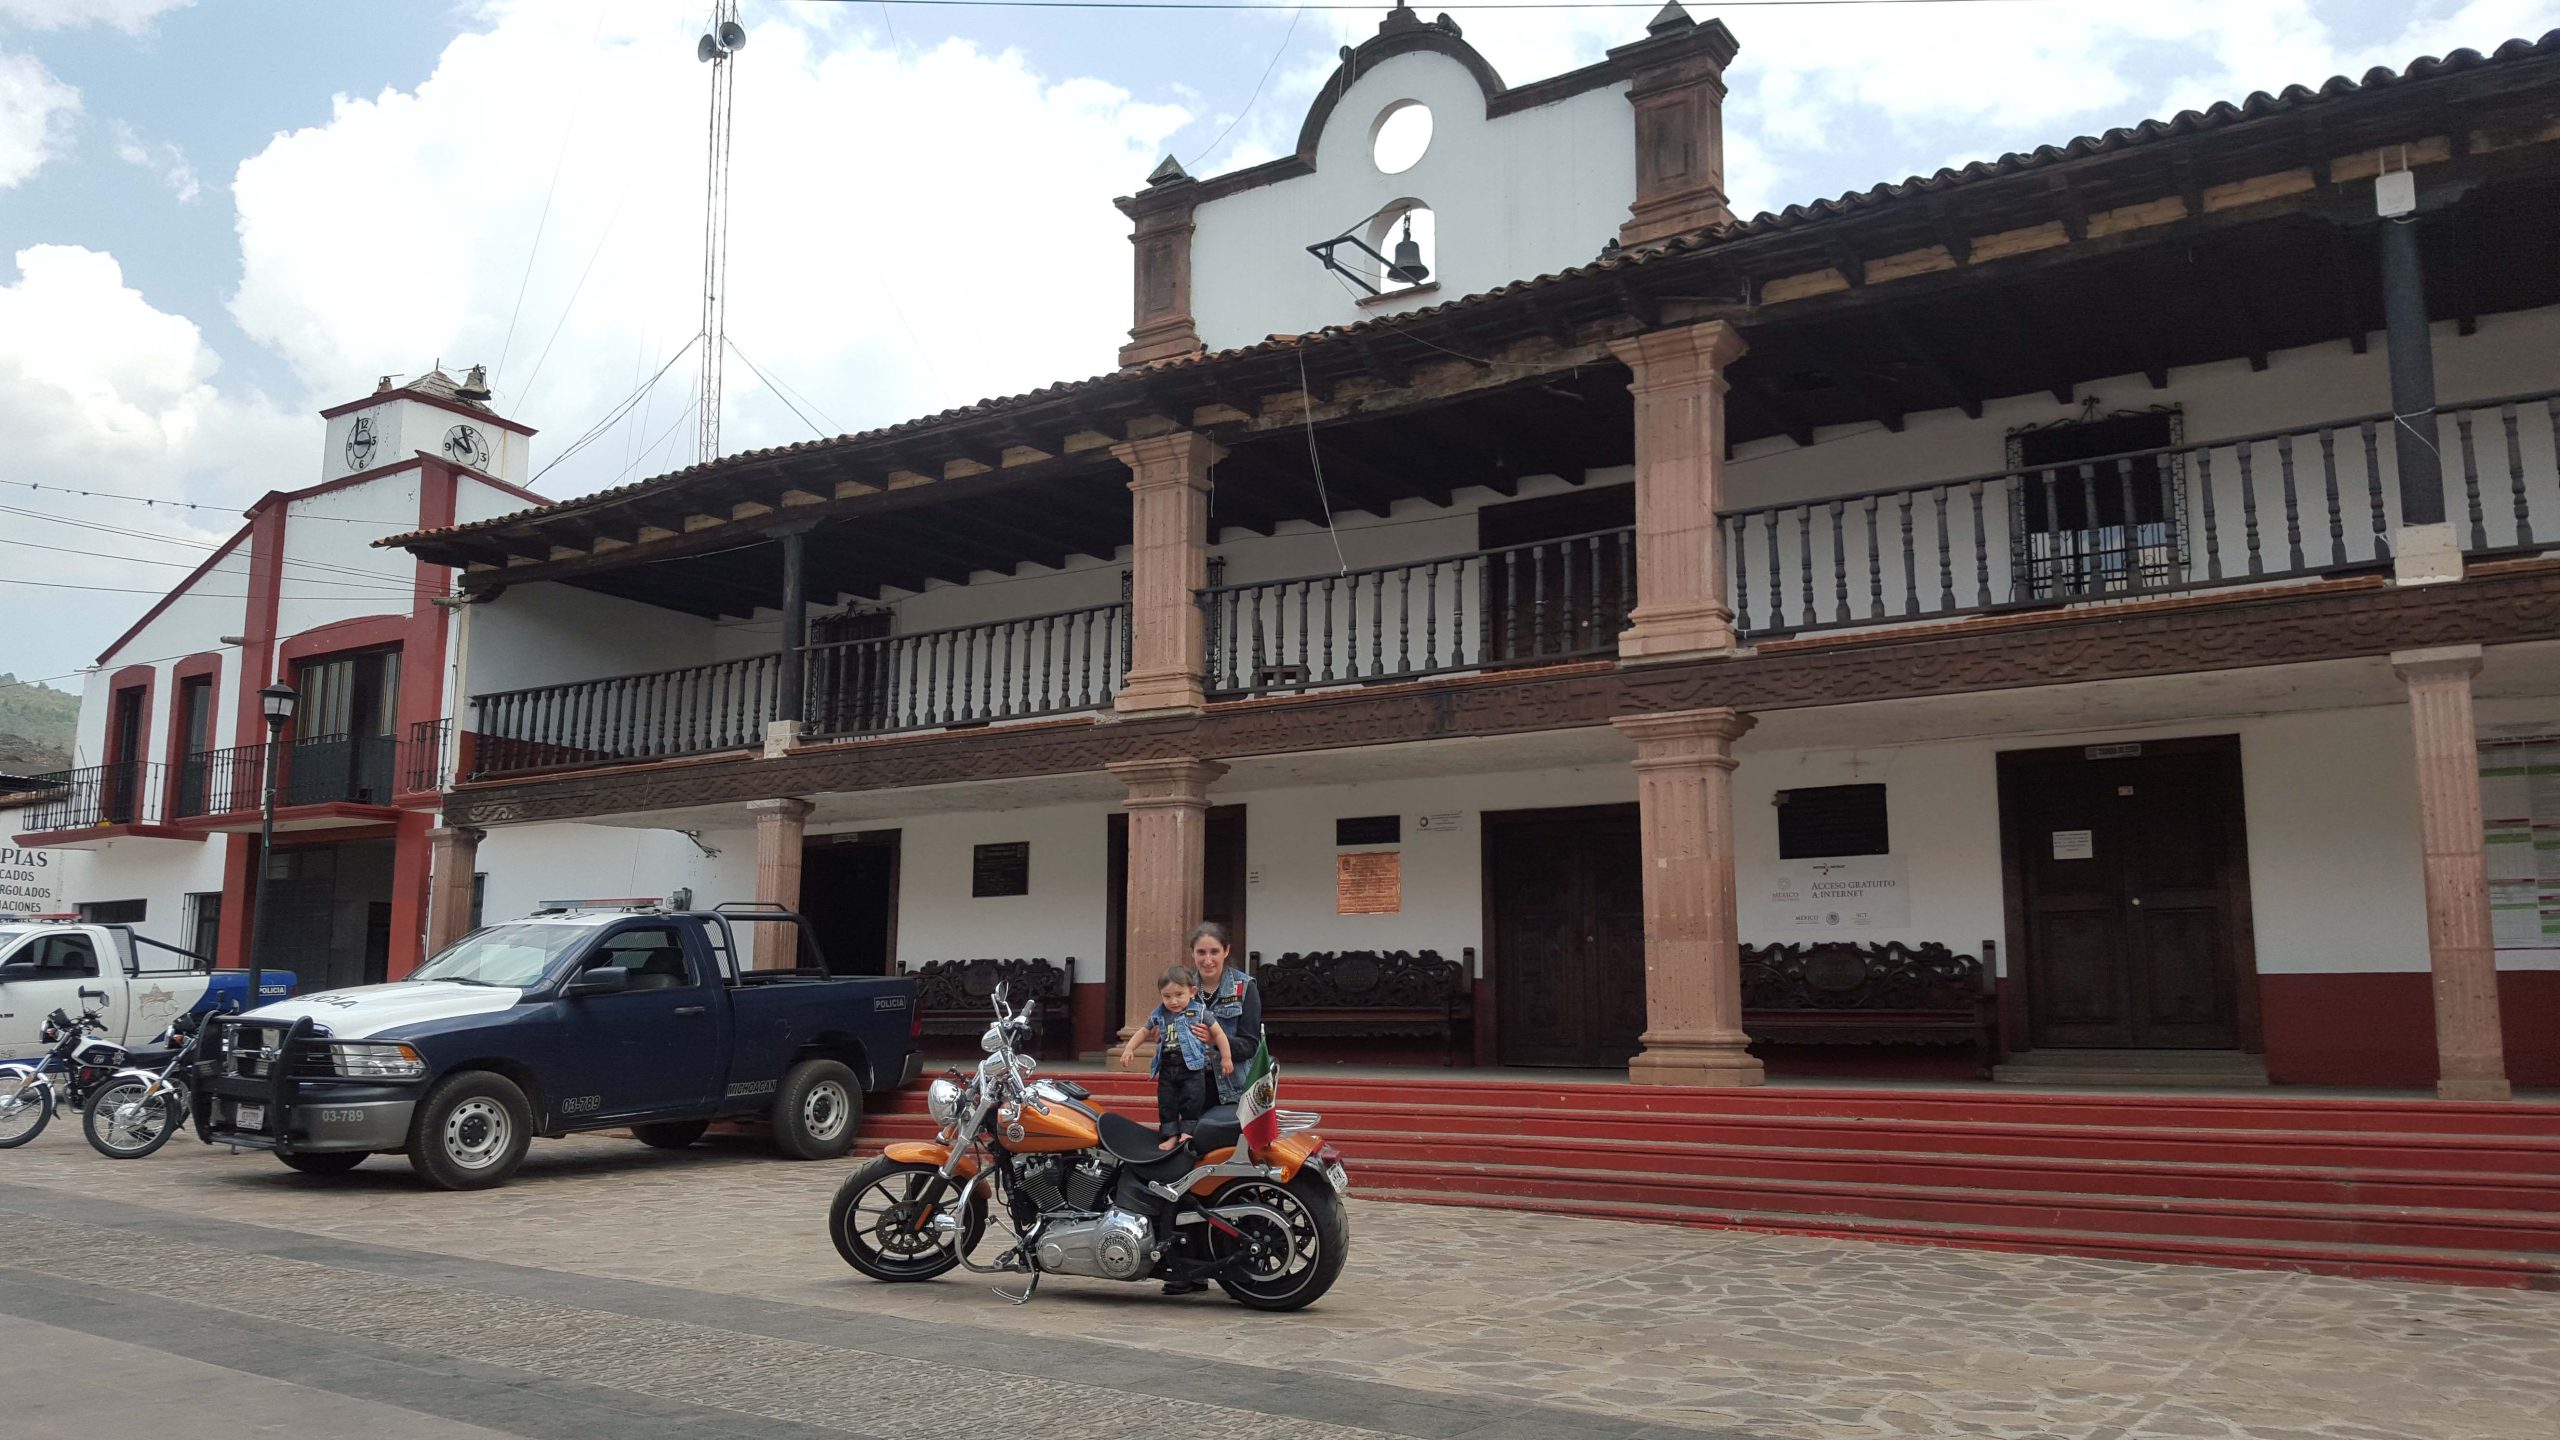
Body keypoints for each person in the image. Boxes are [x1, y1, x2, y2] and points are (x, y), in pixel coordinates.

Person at [1116, 963, 1233, 1150]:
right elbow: (1143, 1031)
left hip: (1192, 1067)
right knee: (1167, 1102)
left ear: (1192, 992)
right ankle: (1170, 1134)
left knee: (1192, 1100)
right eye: (1167, 996)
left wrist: (1226, 1058)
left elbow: (1218, 1034)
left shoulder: (1199, 1011)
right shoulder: (1160, 1013)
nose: (1173, 1001)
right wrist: (1129, 1049)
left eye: (1179, 995)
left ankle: (1187, 1132)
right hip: (1168, 1066)